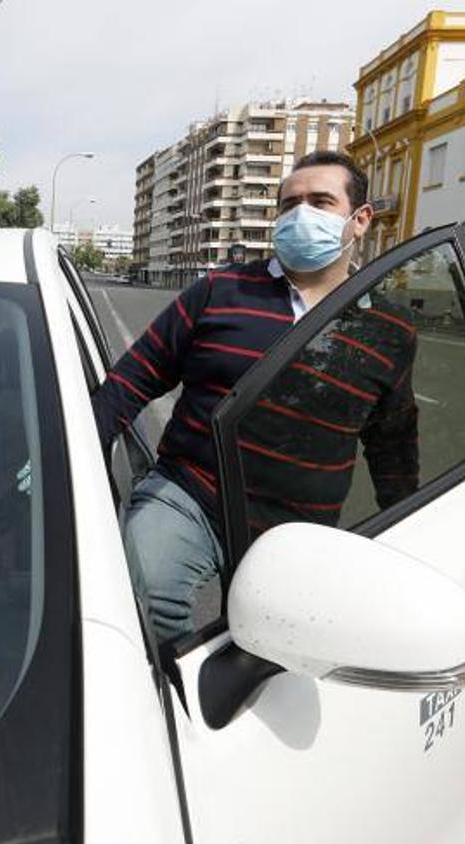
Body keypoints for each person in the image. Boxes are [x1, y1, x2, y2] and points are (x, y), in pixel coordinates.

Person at [93, 150, 419, 643]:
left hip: (300, 531)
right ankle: (171, 699)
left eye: (320, 201)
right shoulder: (220, 290)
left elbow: (392, 442)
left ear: (360, 220)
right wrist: (66, 455)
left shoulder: (388, 328)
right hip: (192, 494)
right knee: (143, 590)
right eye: (288, 205)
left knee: (274, 659)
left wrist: (413, 532)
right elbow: (131, 380)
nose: (299, 215)